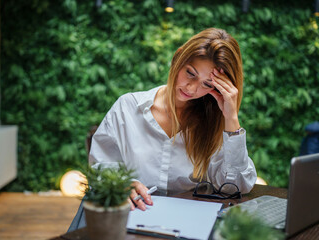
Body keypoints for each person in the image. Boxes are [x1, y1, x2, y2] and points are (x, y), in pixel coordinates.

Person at [68, 27, 257, 231]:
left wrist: (231, 118)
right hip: (128, 222)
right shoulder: (128, 108)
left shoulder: (213, 125)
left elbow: (236, 187)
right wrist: (122, 184)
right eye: (190, 73)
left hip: (186, 228)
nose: (192, 89)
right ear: (177, 58)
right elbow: (100, 167)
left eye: (207, 84)